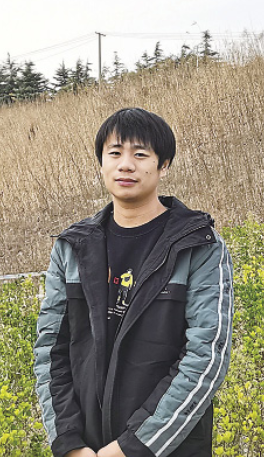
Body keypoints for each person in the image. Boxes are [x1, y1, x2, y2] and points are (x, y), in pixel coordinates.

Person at [33, 107, 234, 457]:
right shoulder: (73, 247)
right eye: (114, 153)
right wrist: (69, 442)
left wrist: (134, 447)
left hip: (166, 448)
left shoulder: (198, 245)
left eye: (140, 155)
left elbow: (206, 355)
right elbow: (51, 351)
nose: (125, 165)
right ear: (101, 163)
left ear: (163, 165)